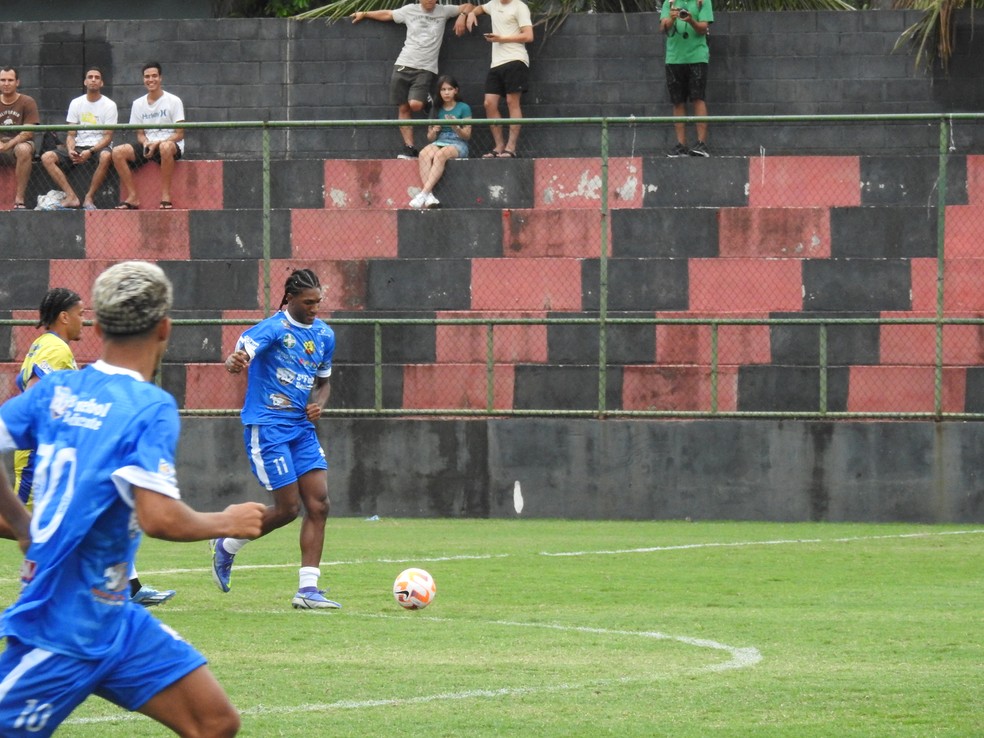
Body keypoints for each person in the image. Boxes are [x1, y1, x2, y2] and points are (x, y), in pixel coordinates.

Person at [0, 261, 265, 737]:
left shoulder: (58, 388)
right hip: (59, 626)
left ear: (99, 328)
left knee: (215, 722)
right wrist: (227, 521)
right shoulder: (149, 406)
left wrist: (23, 525)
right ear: (165, 328)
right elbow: (159, 517)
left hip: (116, 619)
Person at [9, 287, 177, 609]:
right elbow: (35, 392)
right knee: (35, 522)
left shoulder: (42, 344)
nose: (83, 321)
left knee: (91, 512)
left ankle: (129, 586)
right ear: (64, 316)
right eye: (80, 314)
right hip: (42, 454)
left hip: (54, 451)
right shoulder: (55, 348)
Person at [213, 269, 339, 610]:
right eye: (308, 302)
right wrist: (234, 362)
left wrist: (320, 404)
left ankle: (308, 590)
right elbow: (241, 353)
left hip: (301, 428)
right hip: (268, 427)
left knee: (319, 504)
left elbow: (324, 382)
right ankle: (228, 545)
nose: (314, 308)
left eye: (318, 302)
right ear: (290, 299)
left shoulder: (324, 335)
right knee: (288, 509)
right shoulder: (272, 329)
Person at [352, 0, 470, 159]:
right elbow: (388, 14)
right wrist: (365, 14)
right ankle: (410, 147)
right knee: (403, 108)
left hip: (425, 68)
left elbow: (469, 6)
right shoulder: (409, 10)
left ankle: (427, 100)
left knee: (415, 104)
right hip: (403, 65)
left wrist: (463, 15)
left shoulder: (444, 11)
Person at [458, 0, 533, 159]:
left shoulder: (520, 7)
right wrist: (471, 13)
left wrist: (502, 38)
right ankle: (499, 146)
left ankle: (511, 148)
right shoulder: (493, 4)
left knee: (512, 102)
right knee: (489, 103)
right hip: (496, 63)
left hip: (516, 59)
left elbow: (528, 35)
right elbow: (480, 8)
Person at [40, 66, 118, 210]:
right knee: (47, 157)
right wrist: (70, 149)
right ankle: (71, 197)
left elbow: (108, 137)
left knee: (106, 156)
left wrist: (91, 151)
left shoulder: (110, 105)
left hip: (99, 148)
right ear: (85, 82)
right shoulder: (76, 103)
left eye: (97, 78)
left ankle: (89, 197)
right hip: (78, 146)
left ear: (102, 83)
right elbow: (71, 134)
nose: (93, 80)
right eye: (90, 77)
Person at [112, 61, 185, 210]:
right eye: (147, 77)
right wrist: (146, 143)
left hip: (169, 146)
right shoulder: (138, 104)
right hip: (148, 146)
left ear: (160, 78)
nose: (151, 80)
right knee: (117, 152)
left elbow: (179, 134)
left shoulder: (174, 101)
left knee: (165, 147)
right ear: (143, 79)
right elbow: (140, 134)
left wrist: (158, 142)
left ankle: (165, 196)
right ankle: (133, 197)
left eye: (154, 76)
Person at [659, 0, 714, 157]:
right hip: (674, 58)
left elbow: (703, 28)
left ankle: (701, 144)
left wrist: (690, 20)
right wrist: (672, 17)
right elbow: (663, 27)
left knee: (698, 98)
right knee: (677, 101)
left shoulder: (702, 2)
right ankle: (681, 145)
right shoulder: (669, 3)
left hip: (697, 57)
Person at [409, 74, 471, 209]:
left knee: (440, 155)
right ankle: (429, 196)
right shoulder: (436, 108)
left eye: (449, 89)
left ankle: (423, 193)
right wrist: (434, 131)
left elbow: (467, 135)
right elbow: (430, 138)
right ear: (439, 92)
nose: (446, 93)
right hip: (441, 140)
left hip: (458, 142)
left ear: (456, 90)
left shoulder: (464, 107)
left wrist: (456, 127)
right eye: (443, 90)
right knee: (424, 153)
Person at [0, 66, 39, 210]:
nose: (6, 83)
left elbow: (28, 132)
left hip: (21, 143)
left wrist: (7, 145)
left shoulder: (27, 101)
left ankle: (19, 199)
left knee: (23, 149)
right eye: (3, 80)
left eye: (10, 80)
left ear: (17, 82)